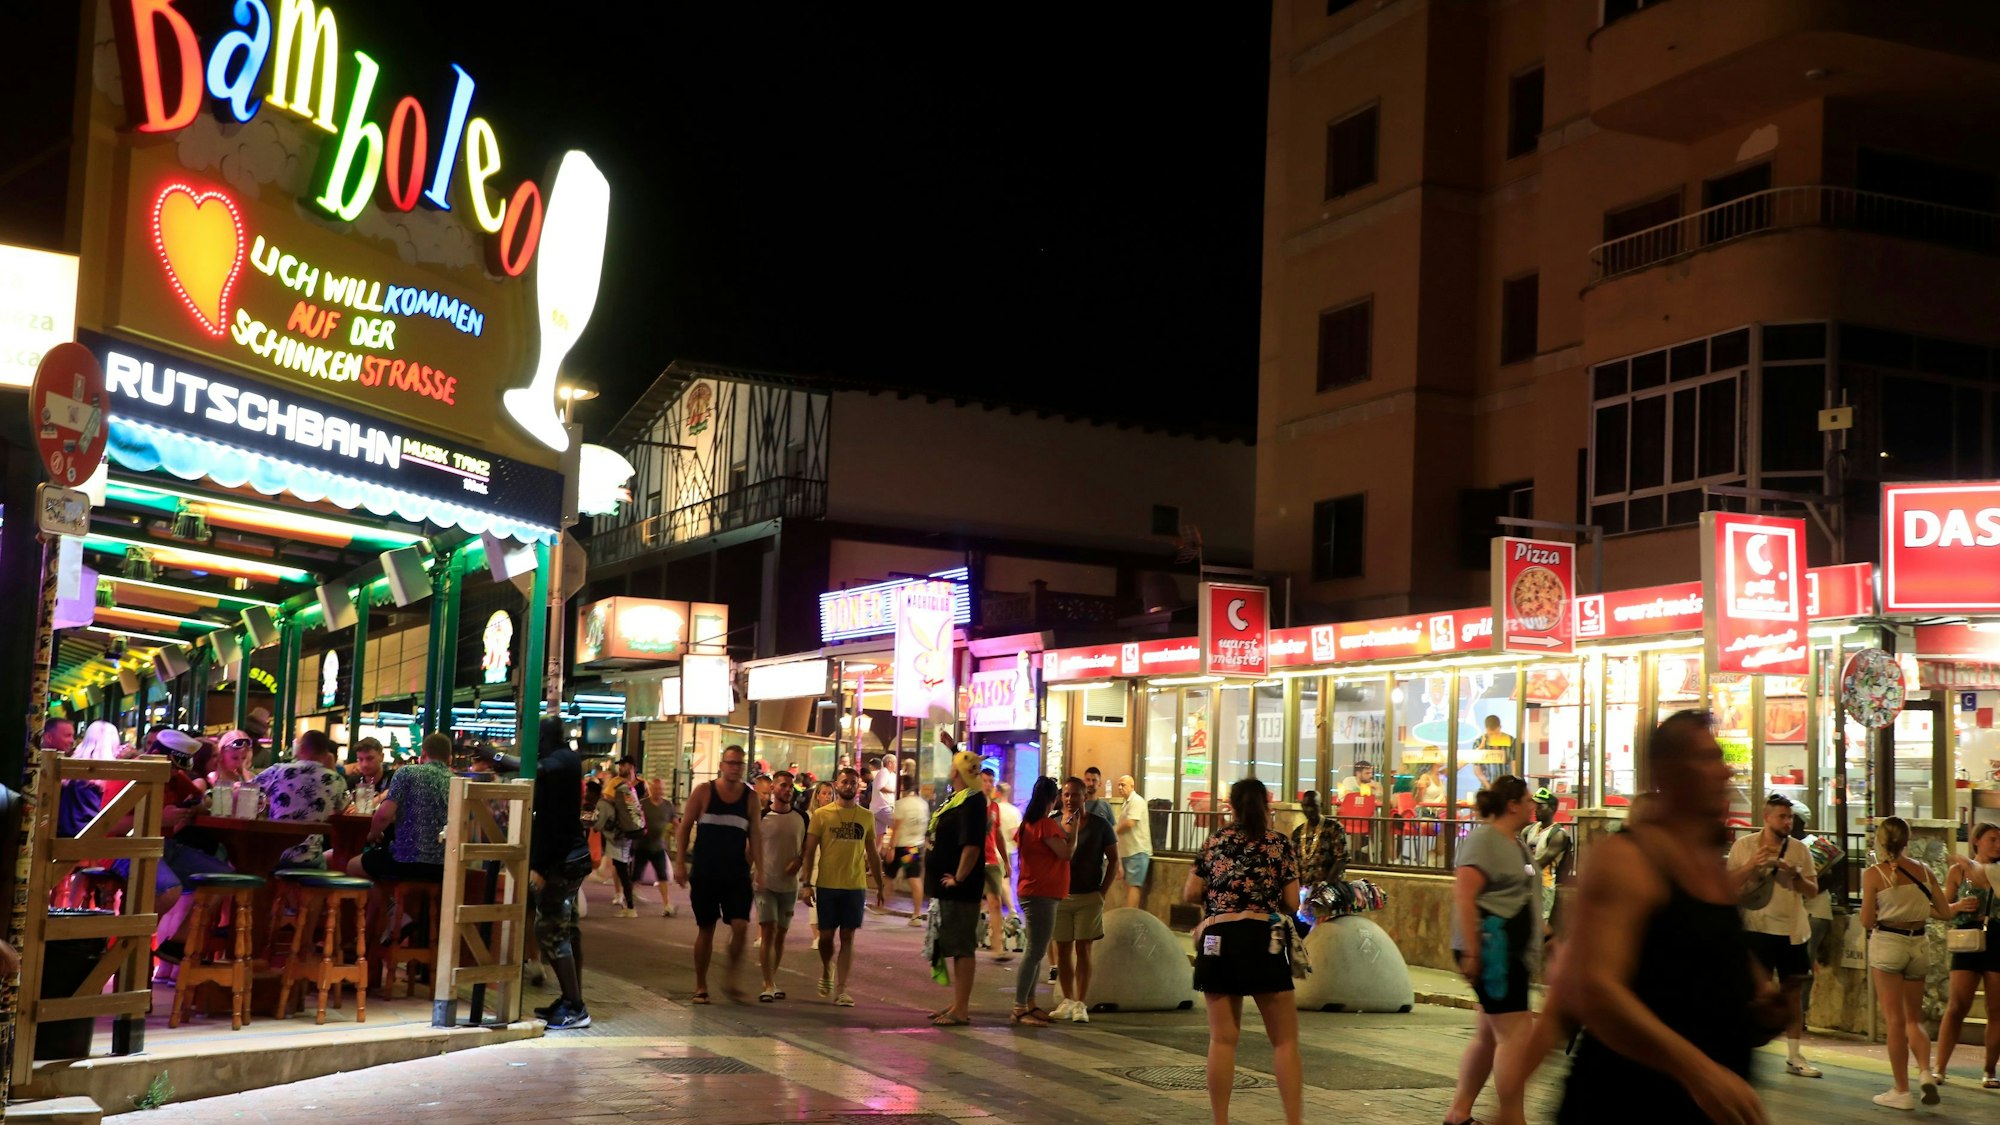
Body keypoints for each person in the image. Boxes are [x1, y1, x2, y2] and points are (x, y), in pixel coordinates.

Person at [1552, 711, 1770, 1125]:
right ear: (1668, 772)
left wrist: (1762, 1014)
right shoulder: (1628, 860)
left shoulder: (1708, 866)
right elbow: (1597, 992)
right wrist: (1699, 1071)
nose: (1724, 770)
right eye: (1707, 758)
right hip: (1625, 1104)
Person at [1184, 777, 1304, 1125]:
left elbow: (1191, 891)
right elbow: (1293, 902)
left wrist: (1219, 895)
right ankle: (1294, 1121)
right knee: (1284, 1042)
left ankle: (1220, 1121)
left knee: (1222, 1040)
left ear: (1230, 806)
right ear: (1267, 806)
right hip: (1262, 937)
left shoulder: (1214, 842)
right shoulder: (1278, 844)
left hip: (1218, 938)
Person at [478, 717, 591, 1029]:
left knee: (550, 930)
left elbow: (538, 771)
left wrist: (498, 756)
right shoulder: (557, 759)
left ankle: (575, 1006)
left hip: (562, 860)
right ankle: (571, 999)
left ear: (542, 737)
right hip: (565, 856)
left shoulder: (564, 759)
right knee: (564, 931)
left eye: (532, 738)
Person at [1863, 814, 1978, 1109]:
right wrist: (1931, 905)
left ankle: (1901, 1091)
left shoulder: (1875, 874)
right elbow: (1942, 911)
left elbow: (1866, 919)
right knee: (1914, 1019)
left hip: (1888, 943)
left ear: (1881, 839)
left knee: (1894, 1021)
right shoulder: (1924, 871)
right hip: (1919, 944)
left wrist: (1888, 907)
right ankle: (1926, 1072)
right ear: (1907, 840)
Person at [1445, 776, 1538, 1125]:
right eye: (1528, 800)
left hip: (1509, 950)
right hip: (1492, 950)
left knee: (1489, 1034)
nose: (1533, 805)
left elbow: (1522, 897)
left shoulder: (1517, 843)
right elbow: (1465, 896)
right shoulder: (1483, 839)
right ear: (1512, 804)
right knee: (1515, 1033)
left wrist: (1547, 938)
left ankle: (1458, 1113)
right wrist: (1471, 951)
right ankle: (1513, 1118)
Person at [1726, 793, 1822, 1079]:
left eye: (1790, 817)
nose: (1787, 822)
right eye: (1782, 817)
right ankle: (1743, 1051)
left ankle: (1794, 1056)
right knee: (1755, 994)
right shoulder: (1744, 846)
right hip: (1756, 928)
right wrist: (1751, 866)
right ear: (1767, 818)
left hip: (1792, 931)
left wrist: (1795, 876)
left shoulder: (1799, 850)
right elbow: (1728, 887)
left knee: (1792, 993)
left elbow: (1813, 891)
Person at [676, 743, 761, 1004]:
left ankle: (731, 978)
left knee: (741, 925)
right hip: (705, 871)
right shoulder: (703, 792)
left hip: (736, 872)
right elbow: (684, 827)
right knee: (706, 928)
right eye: (731, 763)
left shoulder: (751, 798)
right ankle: (701, 985)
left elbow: (756, 836)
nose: (735, 768)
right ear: (722, 765)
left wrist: (762, 869)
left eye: (739, 764)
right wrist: (680, 863)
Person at [799, 767, 887, 1007]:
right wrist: (806, 883)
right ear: (836, 785)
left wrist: (879, 884)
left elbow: (872, 853)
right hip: (827, 884)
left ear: (858, 787)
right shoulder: (822, 815)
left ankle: (842, 989)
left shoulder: (866, 816)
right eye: (844, 782)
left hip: (855, 886)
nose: (848, 786)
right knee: (826, 938)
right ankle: (827, 968)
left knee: (848, 936)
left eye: (852, 782)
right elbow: (809, 851)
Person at [924, 741, 989, 1026]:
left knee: (962, 948)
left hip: (962, 888)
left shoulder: (973, 801)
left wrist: (959, 878)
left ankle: (961, 1009)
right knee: (954, 945)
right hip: (947, 886)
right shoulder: (959, 797)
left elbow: (972, 846)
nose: (949, 770)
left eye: (953, 766)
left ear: (958, 772)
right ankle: (956, 1003)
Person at [1935, 822, 1999, 1089]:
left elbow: (1988, 874)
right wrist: (1959, 905)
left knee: (1996, 1009)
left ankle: (1989, 1070)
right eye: (1992, 840)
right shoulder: (1957, 871)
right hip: (1966, 939)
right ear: (1976, 841)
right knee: (1957, 1006)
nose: (1997, 845)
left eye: (1999, 840)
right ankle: (1939, 1068)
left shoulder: (1996, 871)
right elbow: (1942, 909)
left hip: (1997, 939)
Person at [1009, 776, 1073, 1027]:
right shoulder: (1045, 825)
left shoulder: (1027, 824)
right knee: (1035, 951)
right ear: (1052, 798)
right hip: (1041, 895)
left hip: (1033, 891)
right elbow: (1066, 853)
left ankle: (1030, 1003)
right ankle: (1019, 1006)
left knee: (1035, 951)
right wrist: (1074, 831)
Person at [1053, 775, 1117, 1023]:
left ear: (1085, 797)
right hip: (1060, 896)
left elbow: (1113, 859)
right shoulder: (1054, 823)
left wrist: (1103, 891)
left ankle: (1081, 1002)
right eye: (1066, 794)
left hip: (1089, 895)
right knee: (1062, 948)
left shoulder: (1100, 825)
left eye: (1075, 794)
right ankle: (1067, 999)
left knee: (1084, 948)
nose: (1070, 799)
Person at [349, 732, 450, 884]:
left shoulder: (406, 772)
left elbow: (384, 815)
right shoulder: (455, 780)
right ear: (450, 758)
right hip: (443, 866)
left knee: (353, 866)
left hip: (405, 860)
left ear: (423, 754)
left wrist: (371, 835)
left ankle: (380, 907)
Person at [254, 729, 348, 869]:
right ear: (326, 754)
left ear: (301, 748)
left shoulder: (279, 770)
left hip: (274, 854)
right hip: (310, 858)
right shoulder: (335, 779)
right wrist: (332, 768)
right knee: (330, 859)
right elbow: (341, 808)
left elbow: (247, 789)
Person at [754, 770, 807, 1002]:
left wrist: (800, 861)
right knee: (768, 930)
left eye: (790, 786)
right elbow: (750, 847)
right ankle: (767, 984)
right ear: (773, 789)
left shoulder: (802, 818)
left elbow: (808, 845)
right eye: (783, 785)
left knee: (781, 935)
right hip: (765, 883)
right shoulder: (762, 816)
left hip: (789, 886)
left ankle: (772, 980)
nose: (787, 790)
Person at [594, 759, 645, 917]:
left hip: (619, 834)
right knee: (622, 869)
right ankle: (628, 905)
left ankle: (630, 907)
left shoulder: (620, 786)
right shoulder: (630, 787)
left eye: (623, 765)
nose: (620, 767)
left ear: (630, 768)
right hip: (627, 833)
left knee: (622, 870)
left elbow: (607, 803)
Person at [1522, 787, 1572, 939]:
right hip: (1525, 882)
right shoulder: (1529, 830)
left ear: (1552, 809)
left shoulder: (1558, 835)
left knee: (1538, 928)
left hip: (1543, 885)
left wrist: (1519, 870)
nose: (1535, 809)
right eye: (1535, 805)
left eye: (1540, 806)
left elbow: (1539, 864)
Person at [979, 768, 1015, 959]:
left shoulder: (994, 807)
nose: (988, 784)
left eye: (990, 781)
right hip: (974, 859)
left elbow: (999, 835)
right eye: (984, 780)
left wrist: (1006, 862)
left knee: (995, 902)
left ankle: (997, 946)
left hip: (991, 859)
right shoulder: (973, 804)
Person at [887, 772, 930, 925]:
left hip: (902, 846)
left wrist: (890, 848)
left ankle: (882, 905)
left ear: (903, 787)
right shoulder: (923, 804)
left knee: (890, 875)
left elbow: (896, 828)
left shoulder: (901, 804)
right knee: (914, 878)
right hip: (915, 846)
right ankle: (916, 914)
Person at [632, 778, 678, 917]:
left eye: (661, 789)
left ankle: (667, 905)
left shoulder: (668, 805)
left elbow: (675, 822)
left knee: (662, 876)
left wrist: (678, 833)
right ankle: (628, 902)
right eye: (656, 789)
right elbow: (634, 820)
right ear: (651, 789)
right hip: (642, 845)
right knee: (635, 875)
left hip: (658, 847)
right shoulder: (642, 804)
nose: (659, 791)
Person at [1113, 774, 1153, 909]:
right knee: (1129, 887)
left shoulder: (1137, 801)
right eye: (1118, 784)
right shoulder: (1126, 803)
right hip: (1128, 852)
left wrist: (1114, 830)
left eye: (1123, 785)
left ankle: (1131, 917)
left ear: (1132, 786)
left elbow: (1130, 823)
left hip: (1137, 851)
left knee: (1134, 887)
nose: (1120, 787)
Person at [347, 737, 392, 810]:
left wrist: (363, 806)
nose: (364, 764)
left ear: (382, 757)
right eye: (360, 759)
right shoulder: (353, 781)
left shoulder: (393, 778)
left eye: (369, 758)